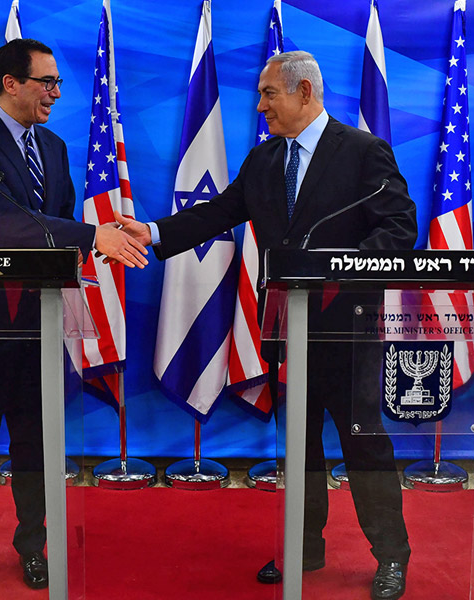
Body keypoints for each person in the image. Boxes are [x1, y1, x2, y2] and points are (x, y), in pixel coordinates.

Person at [113, 51, 416, 600]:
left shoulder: (364, 153)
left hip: (345, 330)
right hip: (284, 330)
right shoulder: (265, 158)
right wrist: (152, 233)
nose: (260, 105)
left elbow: (398, 229)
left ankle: (391, 557)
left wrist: (336, 274)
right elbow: (217, 213)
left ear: (304, 93)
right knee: (297, 447)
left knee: (364, 446)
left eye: (268, 93)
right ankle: (305, 546)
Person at [0, 39, 147, 597]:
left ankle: (34, 548)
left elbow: (54, 223)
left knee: (35, 443)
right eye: (46, 81)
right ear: (11, 83)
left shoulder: (53, 147)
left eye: (57, 82)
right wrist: (88, 234)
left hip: (41, 316)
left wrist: (99, 239)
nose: (56, 92)